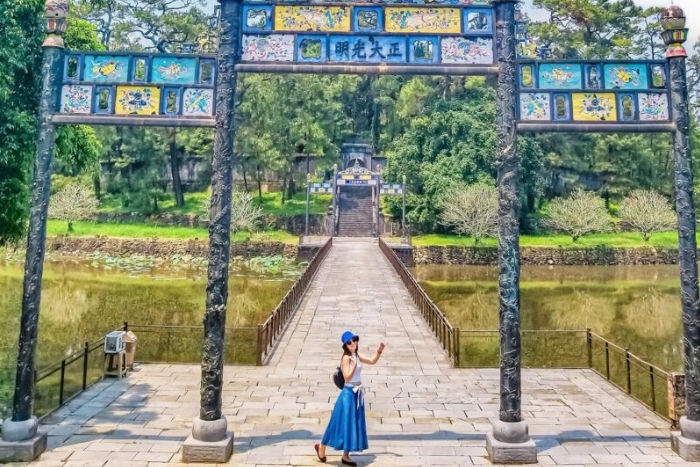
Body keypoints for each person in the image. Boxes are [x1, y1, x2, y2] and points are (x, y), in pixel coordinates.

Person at [314, 331, 385, 466]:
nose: (353, 343)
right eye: (349, 342)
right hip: (348, 394)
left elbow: (372, 361)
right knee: (338, 422)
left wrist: (379, 351)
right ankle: (321, 447)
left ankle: (346, 456)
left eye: (354, 340)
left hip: (357, 393)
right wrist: (352, 366)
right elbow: (347, 376)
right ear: (345, 346)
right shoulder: (346, 358)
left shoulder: (356, 355)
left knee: (353, 423)